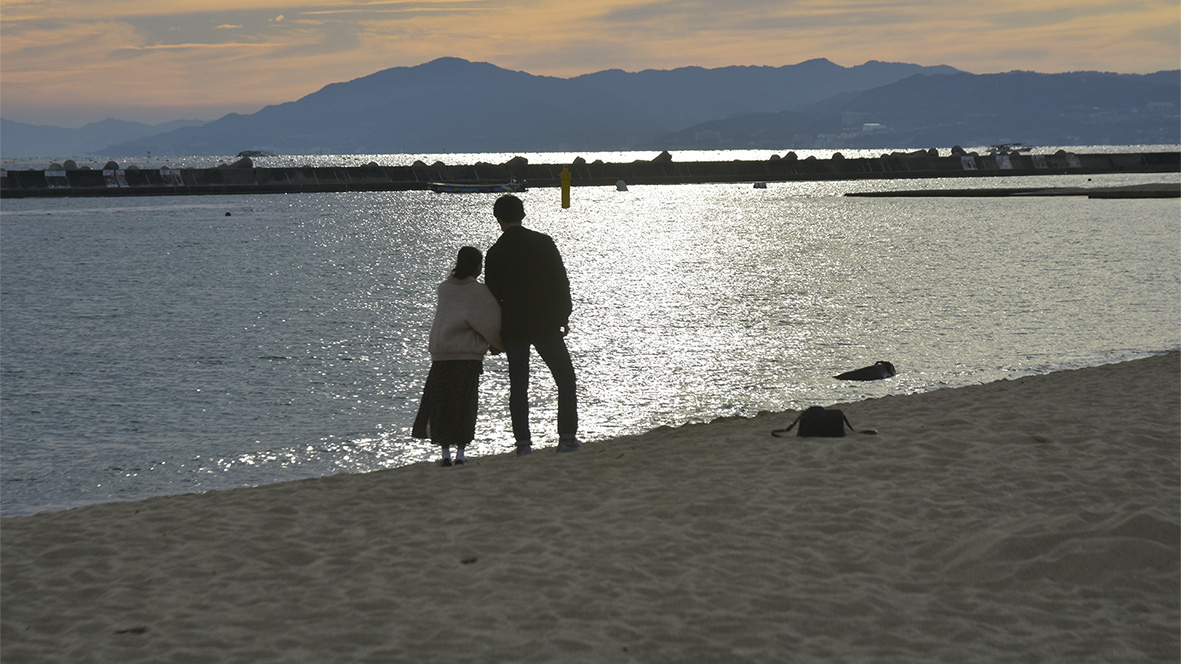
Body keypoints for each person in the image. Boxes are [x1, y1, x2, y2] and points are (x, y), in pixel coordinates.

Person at [484, 194, 580, 456]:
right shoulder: (543, 243)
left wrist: (494, 335)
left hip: (513, 325)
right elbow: (560, 282)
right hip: (545, 322)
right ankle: (567, 438)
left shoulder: (495, 253)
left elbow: (492, 297)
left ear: (498, 219)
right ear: (523, 214)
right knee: (565, 379)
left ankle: (523, 444)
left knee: (519, 385)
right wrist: (563, 316)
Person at [412, 246, 504, 467]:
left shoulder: (444, 289)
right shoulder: (479, 291)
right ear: (478, 267)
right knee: (464, 404)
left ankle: (445, 454)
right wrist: (497, 344)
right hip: (467, 356)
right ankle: (461, 455)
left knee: (442, 404)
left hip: (441, 353)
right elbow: (490, 321)